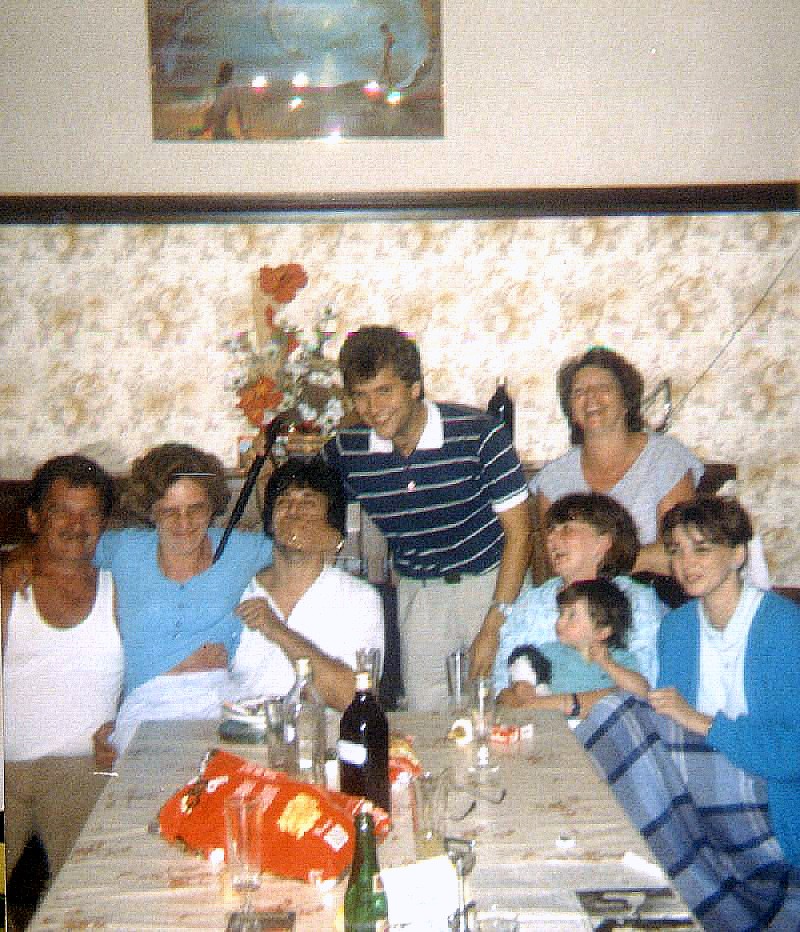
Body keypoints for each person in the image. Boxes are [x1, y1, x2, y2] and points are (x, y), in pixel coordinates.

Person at [577, 496, 800, 929]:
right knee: (613, 711)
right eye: (676, 551)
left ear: (737, 554)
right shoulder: (676, 628)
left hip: (769, 803)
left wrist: (703, 724)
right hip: (702, 789)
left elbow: (793, 753)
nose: (685, 564)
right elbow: (669, 723)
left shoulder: (783, 626)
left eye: (702, 549)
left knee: (627, 720)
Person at [324, 325, 531, 711]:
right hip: (419, 597)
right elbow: (303, 493)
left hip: (491, 586)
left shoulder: (480, 435)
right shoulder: (349, 451)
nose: (373, 408)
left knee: (503, 714)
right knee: (426, 721)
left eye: (384, 391)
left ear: (415, 387)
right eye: (361, 396)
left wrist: (494, 623)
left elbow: (520, 535)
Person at [101, 443, 273, 753]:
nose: (184, 523)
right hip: (146, 704)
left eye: (196, 508)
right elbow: (61, 550)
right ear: (151, 511)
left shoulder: (239, 548)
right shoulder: (125, 548)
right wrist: (19, 561)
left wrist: (266, 483)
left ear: (212, 507)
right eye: (169, 511)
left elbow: (298, 547)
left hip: (219, 698)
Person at [2, 455, 124, 891]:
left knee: (88, 897)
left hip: (83, 769)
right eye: (61, 512)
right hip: (4, 771)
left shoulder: (120, 588)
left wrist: (125, 726)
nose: (77, 525)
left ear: (104, 523)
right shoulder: (8, 589)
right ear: (35, 519)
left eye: (89, 513)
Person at [530, 347, 703, 576]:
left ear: (626, 402)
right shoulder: (553, 479)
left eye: (603, 388)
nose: (591, 397)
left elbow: (677, 552)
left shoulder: (666, 459)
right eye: (579, 391)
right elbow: (555, 563)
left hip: (652, 590)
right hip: (580, 594)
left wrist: (596, 564)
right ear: (570, 410)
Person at [231, 458, 384, 710]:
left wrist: (277, 630)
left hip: (327, 731)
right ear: (270, 521)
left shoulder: (359, 598)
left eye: (308, 504)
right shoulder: (238, 590)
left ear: (332, 527)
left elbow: (354, 699)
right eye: (283, 502)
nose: (294, 512)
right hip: (245, 730)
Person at [493, 492, 665, 710]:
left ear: (603, 543)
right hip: (535, 721)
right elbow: (502, 685)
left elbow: (645, 690)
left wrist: (563, 704)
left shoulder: (635, 599)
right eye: (551, 530)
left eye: (566, 529)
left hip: (609, 722)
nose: (552, 539)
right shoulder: (532, 601)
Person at [500, 579, 648, 715]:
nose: (560, 622)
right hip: (553, 724)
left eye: (571, 616)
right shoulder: (549, 652)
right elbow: (521, 680)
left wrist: (608, 664)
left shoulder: (619, 658)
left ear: (602, 631)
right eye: (561, 614)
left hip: (596, 727)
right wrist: (521, 685)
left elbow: (641, 691)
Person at [192, 60, 247, 140]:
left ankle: (194, 134)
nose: (229, 74)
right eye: (227, 72)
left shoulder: (227, 87)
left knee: (218, 134)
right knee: (220, 135)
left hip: (218, 120)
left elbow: (238, 109)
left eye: (229, 72)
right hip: (217, 120)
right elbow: (238, 109)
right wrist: (242, 129)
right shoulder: (227, 88)